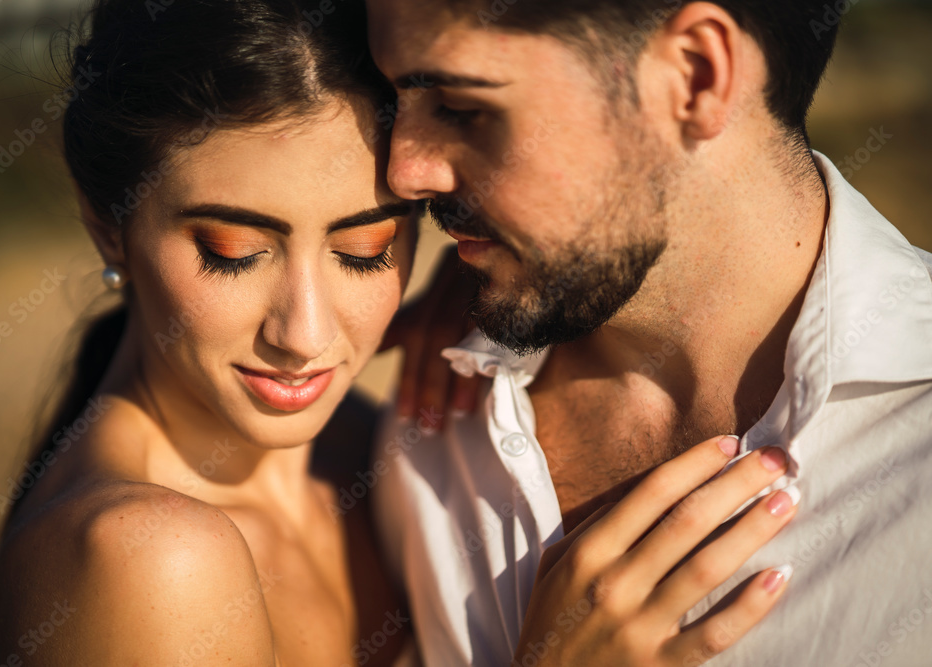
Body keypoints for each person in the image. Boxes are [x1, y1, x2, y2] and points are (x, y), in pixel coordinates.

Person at [0, 1, 799, 666]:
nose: (305, 332)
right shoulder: (148, 561)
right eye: (232, 252)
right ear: (107, 223)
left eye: (365, 250)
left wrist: (494, 290)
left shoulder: (372, 451)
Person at [366, 1, 932, 665]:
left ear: (695, 75)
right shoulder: (432, 411)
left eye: (461, 107)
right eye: (392, 99)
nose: (404, 172)